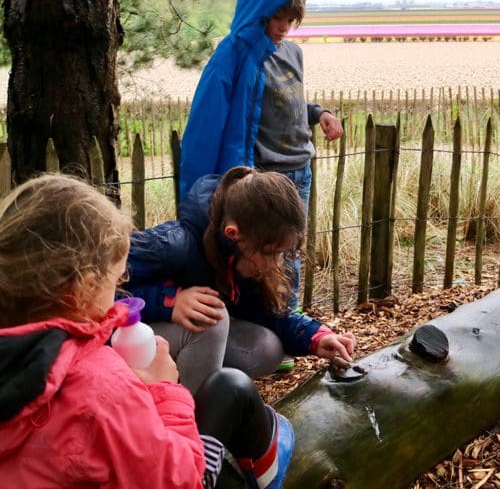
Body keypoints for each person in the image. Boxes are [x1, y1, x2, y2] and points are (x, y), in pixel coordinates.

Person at [0, 174, 292, 489]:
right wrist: (165, 389)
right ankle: (269, 471)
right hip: (179, 474)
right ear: (82, 290)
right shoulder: (102, 385)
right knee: (232, 387)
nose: (121, 287)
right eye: (117, 279)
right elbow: (176, 480)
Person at [179, 0, 344, 335]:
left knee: (289, 252)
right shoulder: (236, 56)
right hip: (267, 177)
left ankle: (291, 324)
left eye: (291, 20)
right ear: (259, 12)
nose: (284, 27)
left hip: (300, 168)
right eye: (278, 18)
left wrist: (321, 114)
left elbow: (289, 102)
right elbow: (211, 119)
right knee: (264, 255)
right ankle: (267, 328)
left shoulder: (292, 54)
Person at [125, 166, 356, 393]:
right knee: (213, 319)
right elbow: (98, 295)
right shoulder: (173, 245)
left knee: (267, 349)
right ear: (233, 234)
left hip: (177, 340)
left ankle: (190, 381)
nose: (276, 263)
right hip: (123, 344)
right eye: (270, 253)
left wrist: (316, 337)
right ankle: (192, 418)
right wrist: (168, 302)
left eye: (281, 254)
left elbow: (267, 315)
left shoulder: (241, 253)